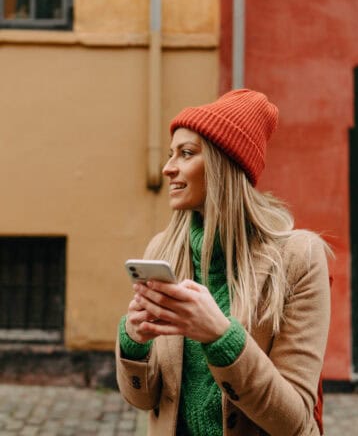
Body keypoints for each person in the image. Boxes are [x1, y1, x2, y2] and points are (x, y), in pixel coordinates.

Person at [115, 89, 331, 435]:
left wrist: (221, 336)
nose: (168, 168)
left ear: (223, 164)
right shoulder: (163, 249)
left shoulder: (299, 258)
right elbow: (144, 400)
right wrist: (133, 341)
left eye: (186, 154)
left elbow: (293, 422)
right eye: (171, 154)